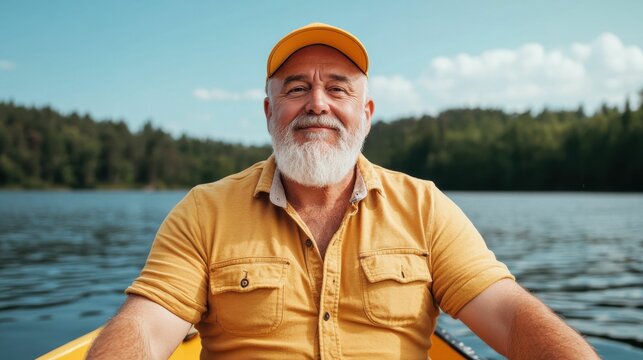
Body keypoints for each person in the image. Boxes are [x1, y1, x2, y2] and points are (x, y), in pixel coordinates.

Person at [88, 23, 598, 359]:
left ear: (366, 114)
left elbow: (508, 318)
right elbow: (148, 331)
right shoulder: (205, 210)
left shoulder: (424, 207)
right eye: (295, 88)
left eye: (338, 88)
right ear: (270, 113)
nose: (317, 104)